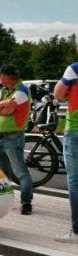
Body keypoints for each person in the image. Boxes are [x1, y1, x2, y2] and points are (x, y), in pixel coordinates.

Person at [0, 64, 33, 215]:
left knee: (21, 171)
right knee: (2, 173)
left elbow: (8, 110)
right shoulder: (4, 91)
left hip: (13, 137)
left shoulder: (22, 91)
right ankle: (5, 201)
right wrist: (2, 105)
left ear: (6, 77)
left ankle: (26, 203)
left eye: (0, 75)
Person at [53, 62, 78, 242]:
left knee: (75, 181)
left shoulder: (75, 68)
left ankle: (77, 231)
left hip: (76, 129)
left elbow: (58, 94)